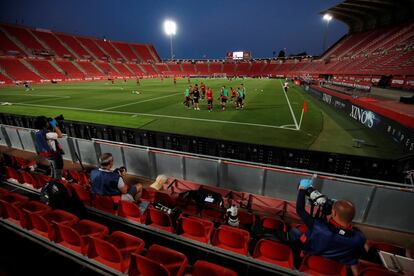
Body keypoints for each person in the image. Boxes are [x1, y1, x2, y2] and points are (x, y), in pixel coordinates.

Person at [290, 176, 366, 274]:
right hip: (336, 270)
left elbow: (300, 210)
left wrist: (302, 189)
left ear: (333, 213)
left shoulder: (319, 228)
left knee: (294, 231)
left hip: (310, 264)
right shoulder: (359, 237)